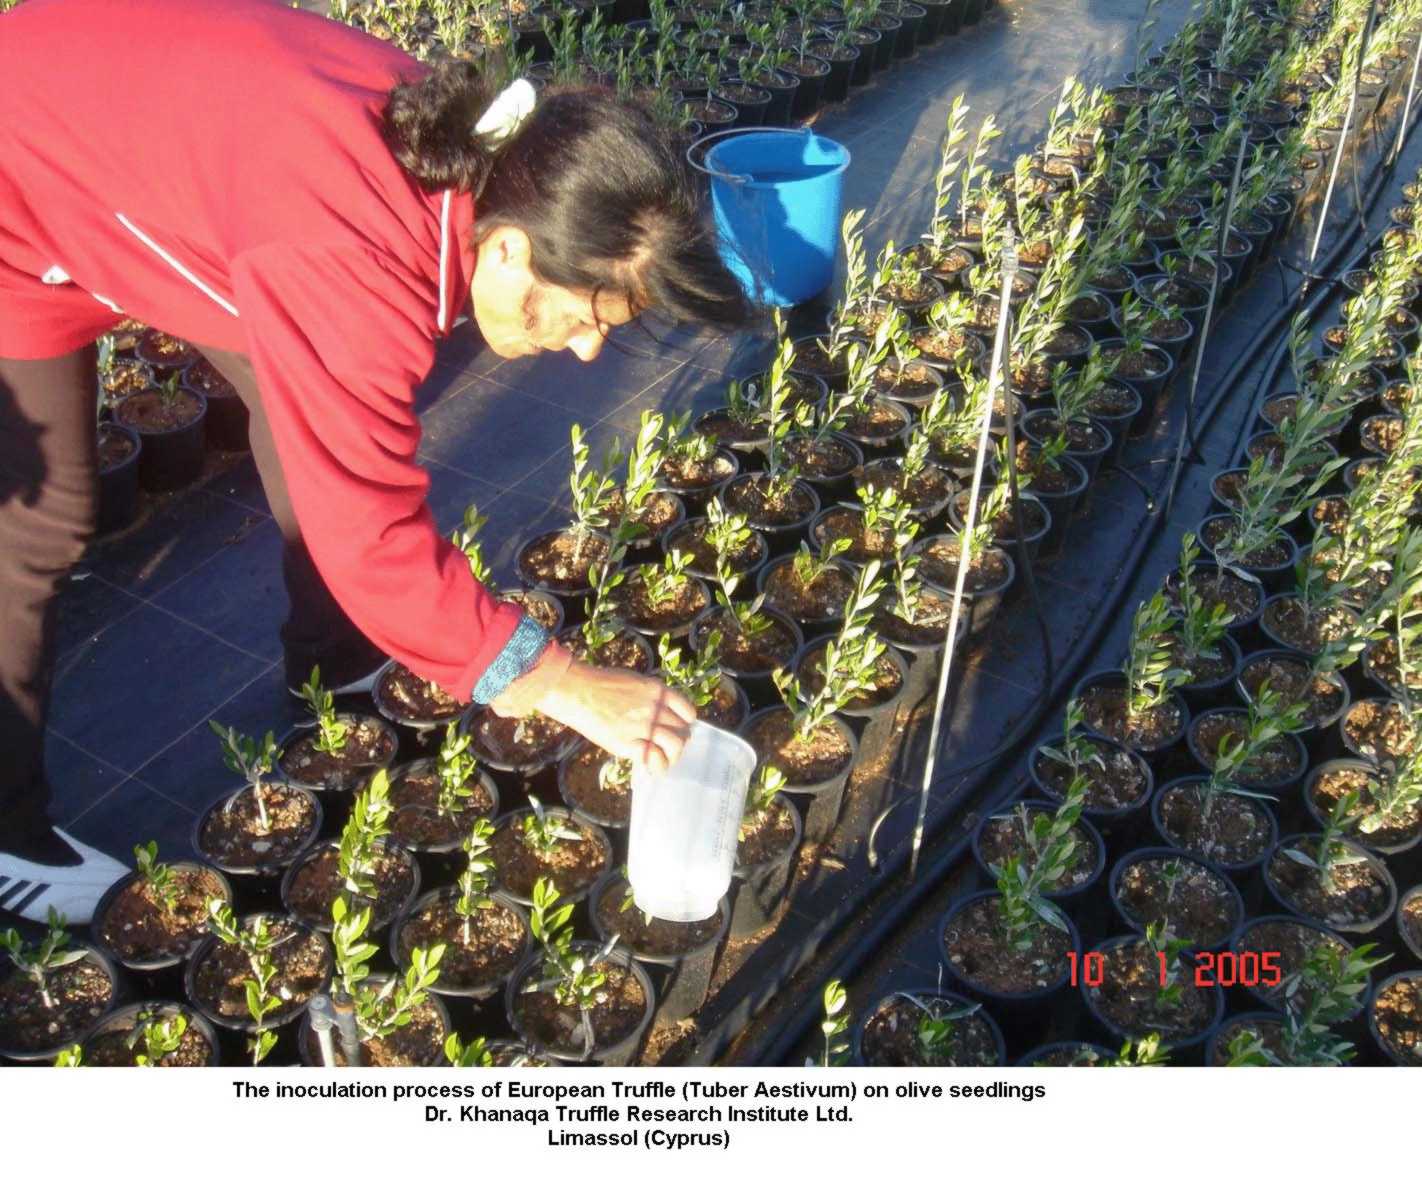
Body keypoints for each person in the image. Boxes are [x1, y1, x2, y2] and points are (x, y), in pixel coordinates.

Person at [0, 0, 751, 923]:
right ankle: (5, 832)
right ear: (511, 247)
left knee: (296, 403)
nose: (587, 348)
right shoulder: (349, 256)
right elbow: (366, 530)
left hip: (137, 142)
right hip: (23, 179)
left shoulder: (467, 156)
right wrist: (557, 681)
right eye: (586, 314)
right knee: (39, 514)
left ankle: (338, 659)